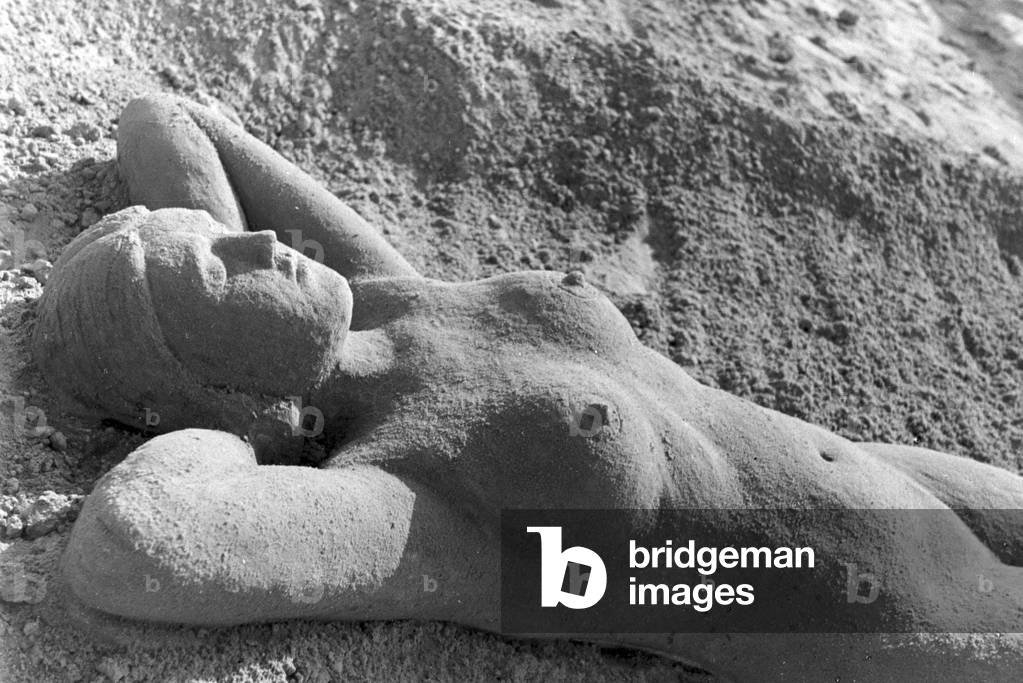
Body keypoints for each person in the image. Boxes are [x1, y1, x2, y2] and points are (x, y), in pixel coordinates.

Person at [33, 95, 1023, 681]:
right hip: (907, 626)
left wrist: (198, 249)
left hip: (912, 483)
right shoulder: (399, 496)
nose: (260, 243)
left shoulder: (382, 296)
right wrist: (225, 423)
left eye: (231, 234)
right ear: (210, 378)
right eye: (224, 270)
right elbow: (134, 544)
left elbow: (169, 120)